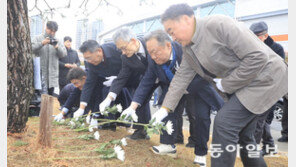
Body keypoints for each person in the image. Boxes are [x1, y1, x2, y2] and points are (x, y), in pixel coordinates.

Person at [152, 3, 287, 167]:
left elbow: (258, 57)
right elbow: (181, 78)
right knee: (246, 138)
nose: (172, 38)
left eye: (171, 31)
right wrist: (165, 109)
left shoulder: (219, 24)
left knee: (223, 124)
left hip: (266, 78)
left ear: (186, 20)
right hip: (246, 85)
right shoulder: (188, 48)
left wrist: (226, 83)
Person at [120, 30, 224, 166]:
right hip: (173, 88)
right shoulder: (153, 60)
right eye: (150, 52)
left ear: (168, 45)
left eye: (156, 52)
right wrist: (132, 106)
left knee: (201, 117)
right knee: (166, 110)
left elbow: (205, 73)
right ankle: (168, 145)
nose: (153, 56)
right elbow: (146, 82)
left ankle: (201, 153)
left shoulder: (186, 51)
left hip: (198, 87)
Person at [99, 27, 158, 140]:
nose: (123, 52)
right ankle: (141, 131)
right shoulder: (125, 57)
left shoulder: (151, 43)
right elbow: (122, 77)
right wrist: (109, 98)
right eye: (120, 49)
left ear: (133, 41)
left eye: (124, 48)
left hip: (164, 75)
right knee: (139, 98)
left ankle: (179, 138)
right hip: (147, 79)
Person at [72, 40, 132, 130]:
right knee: (105, 94)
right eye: (86, 59)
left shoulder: (115, 49)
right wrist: (81, 108)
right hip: (108, 83)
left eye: (89, 58)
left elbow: (130, 63)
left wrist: (118, 78)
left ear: (99, 51)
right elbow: (89, 83)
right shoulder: (90, 63)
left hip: (129, 77)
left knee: (135, 99)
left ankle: (136, 127)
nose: (88, 61)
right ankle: (109, 123)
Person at [250, 21, 286, 155]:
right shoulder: (251, 47)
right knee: (261, 120)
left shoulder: (277, 48)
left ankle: (252, 151)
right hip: (255, 89)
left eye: (257, 35)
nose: (254, 38)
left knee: (259, 119)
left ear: (265, 35)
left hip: (271, 89)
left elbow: (278, 70)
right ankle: (270, 147)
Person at [32, 21, 67, 95]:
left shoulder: (58, 41)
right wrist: (42, 43)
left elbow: (63, 54)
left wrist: (57, 47)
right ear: (46, 28)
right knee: (40, 99)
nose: (52, 33)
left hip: (52, 76)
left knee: (50, 98)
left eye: (54, 31)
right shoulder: (37, 38)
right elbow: (30, 49)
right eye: (51, 30)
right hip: (39, 75)